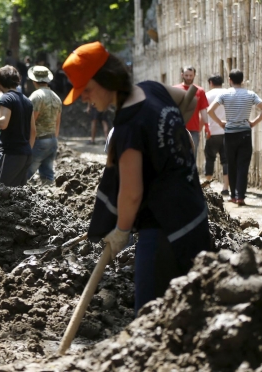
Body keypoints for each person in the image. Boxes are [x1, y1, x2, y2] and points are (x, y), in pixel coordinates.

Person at [62, 42, 210, 315]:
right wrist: (172, 145)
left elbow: (131, 193)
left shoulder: (128, 126)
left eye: (87, 90)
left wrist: (120, 231)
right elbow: (186, 97)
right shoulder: (152, 89)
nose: (84, 99)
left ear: (105, 79)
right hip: (194, 215)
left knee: (151, 317)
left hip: (162, 231)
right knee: (189, 310)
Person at [208, 69, 262, 206]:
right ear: (242, 80)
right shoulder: (250, 94)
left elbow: (210, 110)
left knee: (231, 164)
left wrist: (220, 123)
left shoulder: (225, 94)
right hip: (245, 134)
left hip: (229, 133)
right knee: (243, 165)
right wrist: (253, 122)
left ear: (230, 79)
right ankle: (240, 196)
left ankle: (232, 195)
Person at [0, 65, 36, 187]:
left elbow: (3, 123)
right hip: (26, 154)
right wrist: (26, 149)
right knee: (17, 195)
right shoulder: (27, 100)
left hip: (10, 154)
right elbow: (33, 131)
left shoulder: (7, 98)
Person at [26, 66, 62, 183]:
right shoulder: (57, 98)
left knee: (25, 173)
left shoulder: (36, 96)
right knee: (47, 175)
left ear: (34, 80)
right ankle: (48, 197)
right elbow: (58, 122)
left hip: (38, 140)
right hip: (52, 140)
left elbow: (31, 120)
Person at [173, 66, 209, 158]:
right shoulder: (175, 89)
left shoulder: (199, 91)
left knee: (192, 155)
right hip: (177, 128)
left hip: (193, 130)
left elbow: (203, 110)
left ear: (194, 75)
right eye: (186, 75)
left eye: (190, 75)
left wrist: (207, 126)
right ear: (182, 75)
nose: (188, 77)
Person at [204, 74, 229, 195]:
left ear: (210, 83)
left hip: (212, 132)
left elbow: (203, 113)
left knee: (210, 158)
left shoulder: (207, 95)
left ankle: (208, 185)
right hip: (226, 131)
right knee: (226, 160)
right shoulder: (228, 93)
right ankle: (225, 188)